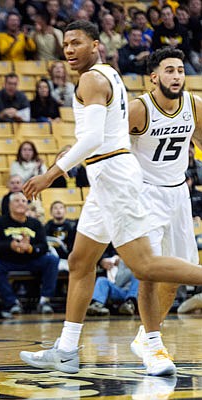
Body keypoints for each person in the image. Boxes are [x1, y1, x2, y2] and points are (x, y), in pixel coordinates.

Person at [19, 20, 202, 377]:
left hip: (114, 174)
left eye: (77, 43)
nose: (69, 50)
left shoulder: (90, 79)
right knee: (79, 261)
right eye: (66, 44)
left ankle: (141, 339)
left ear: (96, 45)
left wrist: (50, 173)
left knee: (145, 266)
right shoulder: (109, 74)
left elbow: (90, 140)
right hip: (107, 176)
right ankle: (67, 349)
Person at [128, 48, 202, 367]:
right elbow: (111, 147)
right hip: (145, 195)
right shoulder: (138, 108)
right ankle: (155, 346)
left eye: (181, 70)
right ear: (153, 77)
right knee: (150, 272)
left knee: (173, 279)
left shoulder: (194, 105)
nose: (177, 76)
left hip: (178, 195)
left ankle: (145, 337)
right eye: (169, 70)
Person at [0, 192, 59, 316]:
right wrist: (10, 245)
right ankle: (12, 302)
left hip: (31, 260)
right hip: (9, 261)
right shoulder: (0, 222)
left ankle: (45, 300)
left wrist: (30, 248)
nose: (21, 203)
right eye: (17, 201)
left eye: (23, 201)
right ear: (10, 205)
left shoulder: (35, 223)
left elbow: (43, 246)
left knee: (52, 260)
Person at [87, 245, 139, 316]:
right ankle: (97, 304)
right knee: (102, 280)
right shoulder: (115, 259)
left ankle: (130, 304)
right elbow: (117, 282)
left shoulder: (139, 260)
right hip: (119, 291)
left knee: (139, 275)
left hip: (134, 294)